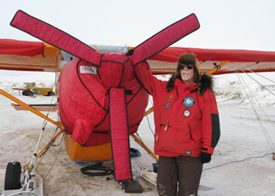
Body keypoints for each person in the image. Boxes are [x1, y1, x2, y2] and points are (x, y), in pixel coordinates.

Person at [132, 52, 220, 196]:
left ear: (196, 70)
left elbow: (211, 122)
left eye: (189, 66)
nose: (185, 69)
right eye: (181, 66)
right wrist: (136, 58)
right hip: (166, 151)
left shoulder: (204, 93)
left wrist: (208, 148)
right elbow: (145, 77)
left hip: (191, 153)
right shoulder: (165, 88)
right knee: (164, 189)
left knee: (188, 191)